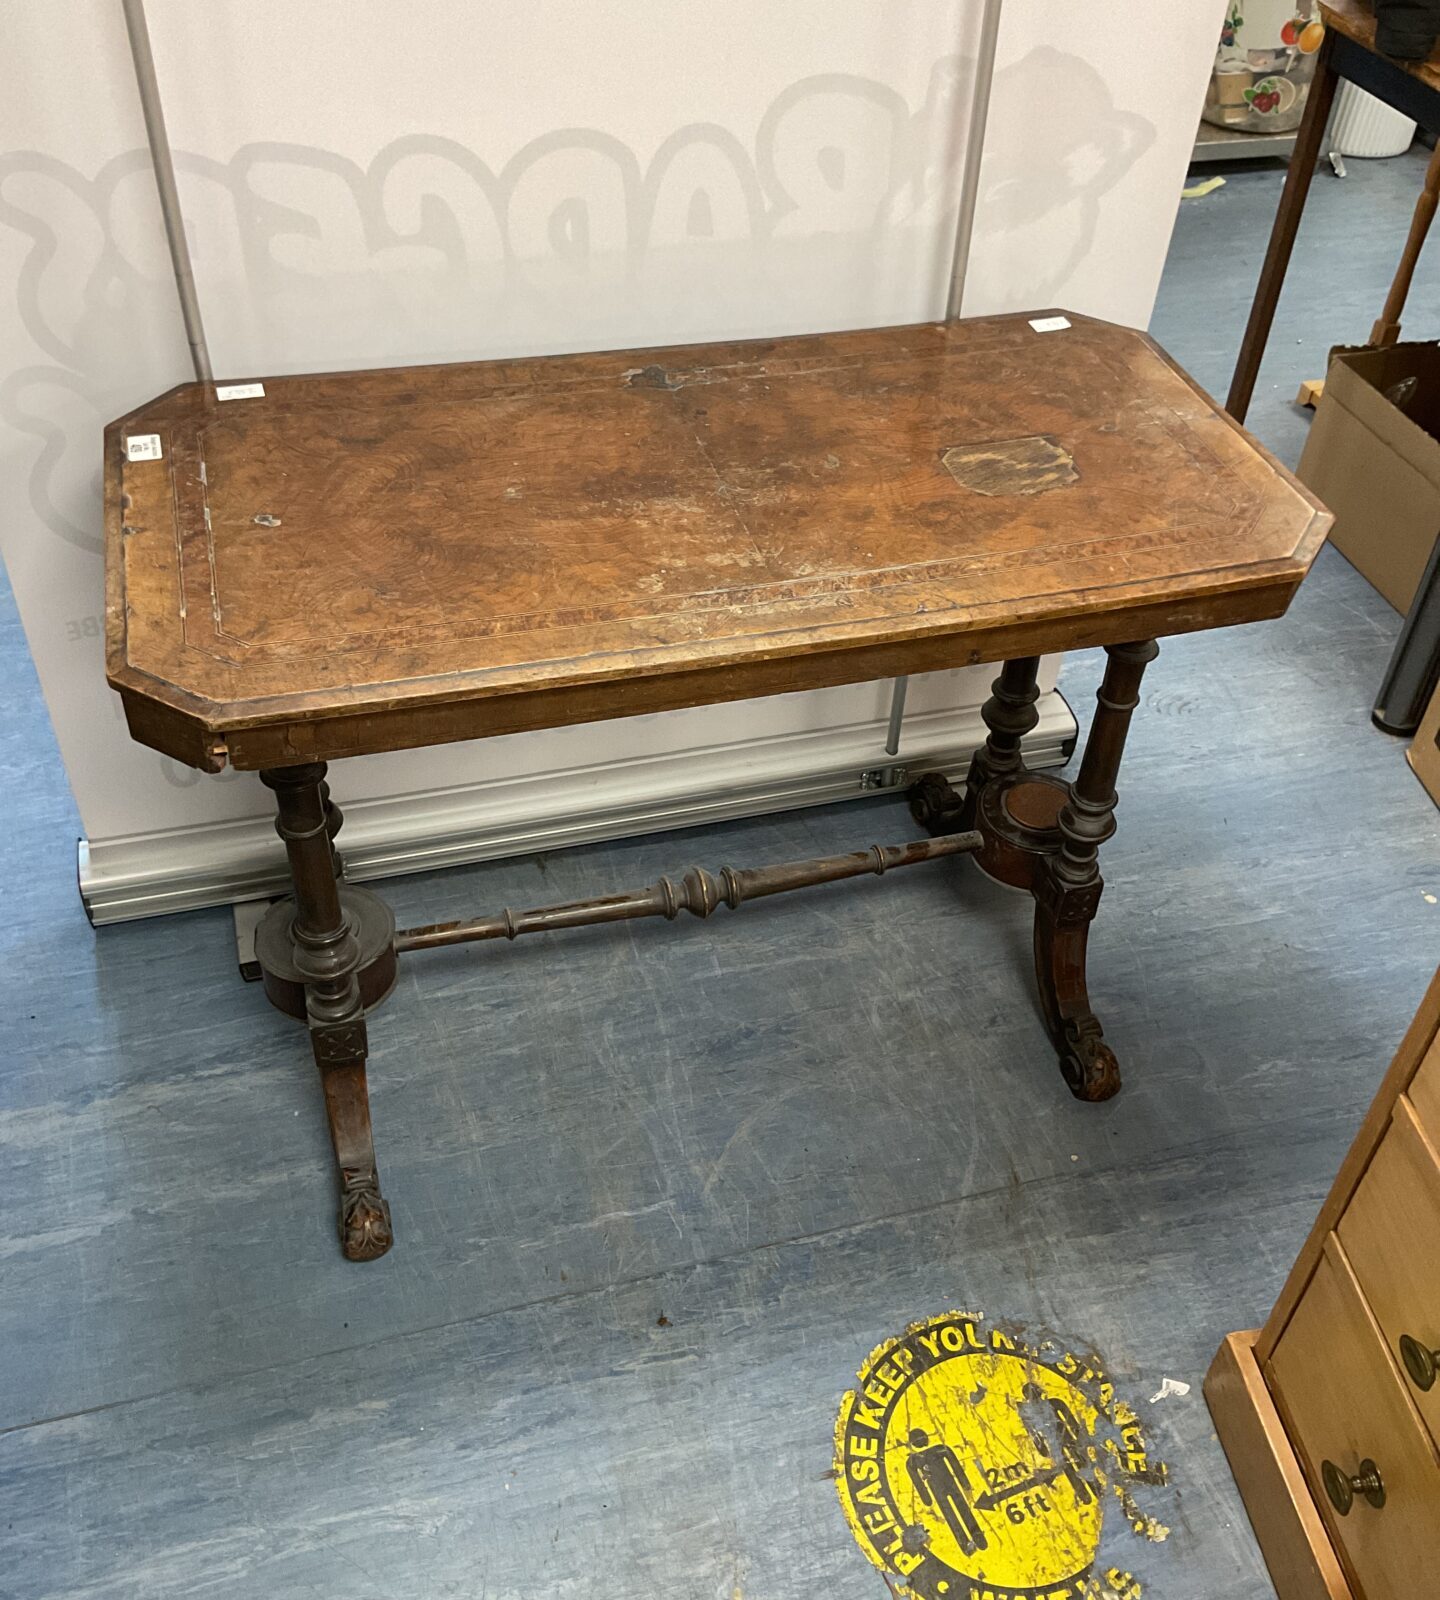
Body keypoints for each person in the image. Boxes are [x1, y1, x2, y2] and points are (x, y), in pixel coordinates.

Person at [904, 1428, 988, 1555]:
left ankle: (976, 1537)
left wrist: (964, 1482)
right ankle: (965, 1543)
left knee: (959, 1510)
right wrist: (926, 1498)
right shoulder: (915, 1459)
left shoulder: (934, 1451)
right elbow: (916, 1479)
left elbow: (953, 1462)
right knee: (952, 1514)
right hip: (940, 1487)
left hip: (946, 1485)